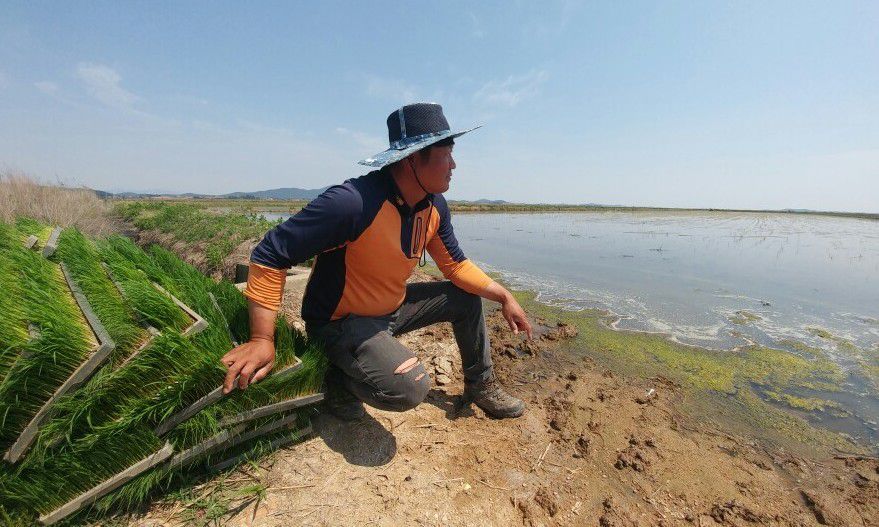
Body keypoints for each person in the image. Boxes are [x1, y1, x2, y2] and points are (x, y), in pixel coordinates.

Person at [221, 102, 532, 421]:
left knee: (466, 299)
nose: (453, 164)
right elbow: (271, 252)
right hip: (340, 322)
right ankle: (335, 380)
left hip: (391, 309)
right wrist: (261, 339)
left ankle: (480, 385)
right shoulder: (353, 204)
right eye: (446, 153)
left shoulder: (433, 206)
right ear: (413, 158)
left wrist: (504, 295)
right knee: (410, 388)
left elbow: (455, 265)